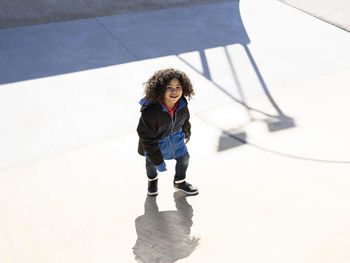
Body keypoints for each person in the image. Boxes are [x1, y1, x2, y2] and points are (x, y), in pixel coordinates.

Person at [137, 68, 198, 196]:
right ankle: (152, 180)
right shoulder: (151, 111)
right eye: (169, 87)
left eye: (178, 87)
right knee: (151, 163)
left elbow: (185, 119)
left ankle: (180, 182)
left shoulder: (182, 103)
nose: (174, 91)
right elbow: (146, 137)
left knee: (184, 158)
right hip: (155, 143)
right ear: (160, 90)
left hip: (175, 138)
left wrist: (187, 132)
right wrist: (158, 160)